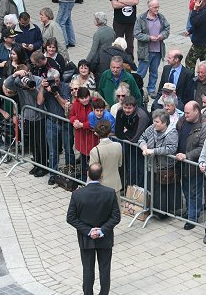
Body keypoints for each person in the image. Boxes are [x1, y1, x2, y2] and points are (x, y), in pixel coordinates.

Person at [66, 162, 121, 295]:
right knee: (105, 269)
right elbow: (116, 217)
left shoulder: (77, 194)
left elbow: (71, 218)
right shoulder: (110, 193)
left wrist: (88, 231)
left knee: (88, 270)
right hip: (105, 238)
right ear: (102, 176)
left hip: (86, 239)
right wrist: (101, 230)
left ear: (87, 175)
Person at [4, 65, 48, 177]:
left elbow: (39, 100)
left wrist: (31, 89)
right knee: (33, 142)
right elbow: (7, 85)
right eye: (23, 73)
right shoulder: (17, 81)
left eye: (26, 72)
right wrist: (15, 75)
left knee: (40, 143)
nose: (25, 75)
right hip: (27, 116)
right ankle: (36, 164)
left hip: (39, 116)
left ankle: (43, 166)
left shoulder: (37, 80)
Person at [138, 109, 181, 218]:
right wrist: (144, 147)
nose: (154, 124)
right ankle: (155, 211)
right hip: (151, 166)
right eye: (154, 121)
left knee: (164, 191)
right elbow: (142, 137)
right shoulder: (151, 128)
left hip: (165, 167)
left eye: (157, 122)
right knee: (154, 189)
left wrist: (154, 151)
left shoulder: (172, 132)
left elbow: (171, 148)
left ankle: (164, 213)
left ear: (164, 122)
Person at [175, 101, 206, 230]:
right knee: (186, 189)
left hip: (194, 166)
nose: (185, 115)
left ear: (197, 111)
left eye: (188, 112)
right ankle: (189, 210)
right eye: (185, 112)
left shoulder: (204, 126)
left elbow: (202, 148)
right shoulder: (183, 120)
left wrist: (187, 155)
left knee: (195, 191)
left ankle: (193, 217)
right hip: (182, 164)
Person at [37, 68, 71, 185]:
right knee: (53, 151)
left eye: (57, 81)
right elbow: (39, 102)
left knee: (68, 150)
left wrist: (56, 93)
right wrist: (42, 87)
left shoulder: (65, 87)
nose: (55, 83)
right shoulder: (46, 87)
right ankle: (53, 174)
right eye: (53, 81)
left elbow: (65, 106)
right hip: (51, 122)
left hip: (65, 123)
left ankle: (69, 173)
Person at [134, 0, 170, 98]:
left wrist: (162, 35)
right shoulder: (141, 18)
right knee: (141, 72)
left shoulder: (161, 17)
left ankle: (151, 89)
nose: (157, 9)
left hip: (158, 51)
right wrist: (149, 38)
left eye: (158, 7)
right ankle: (136, 88)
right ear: (149, 7)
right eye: (155, 7)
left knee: (154, 72)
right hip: (145, 51)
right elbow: (136, 33)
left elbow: (167, 29)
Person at [115, 96, 150, 186]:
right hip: (131, 143)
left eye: (129, 108)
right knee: (130, 166)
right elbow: (118, 132)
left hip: (144, 144)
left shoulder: (142, 116)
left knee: (141, 168)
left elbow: (135, 137)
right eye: (125, 107)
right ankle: (130, 189)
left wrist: (126, 133)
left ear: (134, 107)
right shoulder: (120, 111)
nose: (126, 110)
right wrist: (128, 133)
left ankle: (141, 190)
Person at [89, 121, 123, 207]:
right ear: (110, 132)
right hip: (115, 185)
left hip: (101, 186)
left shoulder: (95, 151)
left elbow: (92, 173)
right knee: (115, 213)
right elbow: (119, 164)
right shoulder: (118, 145)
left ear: (96, 133)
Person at [69, 87, 100, 181]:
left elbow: (96, 119)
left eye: (86, 97)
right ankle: (83, 179)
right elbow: (71, 115)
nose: (84, 100)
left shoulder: (95, 103)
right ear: (78, 98)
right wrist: (75, 121)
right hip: (82, 137)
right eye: (82, 98)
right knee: (83, 160)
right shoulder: (76, 104)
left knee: (94, 161)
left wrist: (82, 124)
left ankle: (94, 180)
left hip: (93, 138)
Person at [184, 0, 206, 73]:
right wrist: (190, 31)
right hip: (205, 42)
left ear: (200, 2)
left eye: (195, 0)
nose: (193, 2)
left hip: (200, 43)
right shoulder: (204, 10)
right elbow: (198, 25)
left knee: (189, 61)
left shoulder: (204, 12)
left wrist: (194, 10)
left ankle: (191, 79)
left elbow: (194, 22)